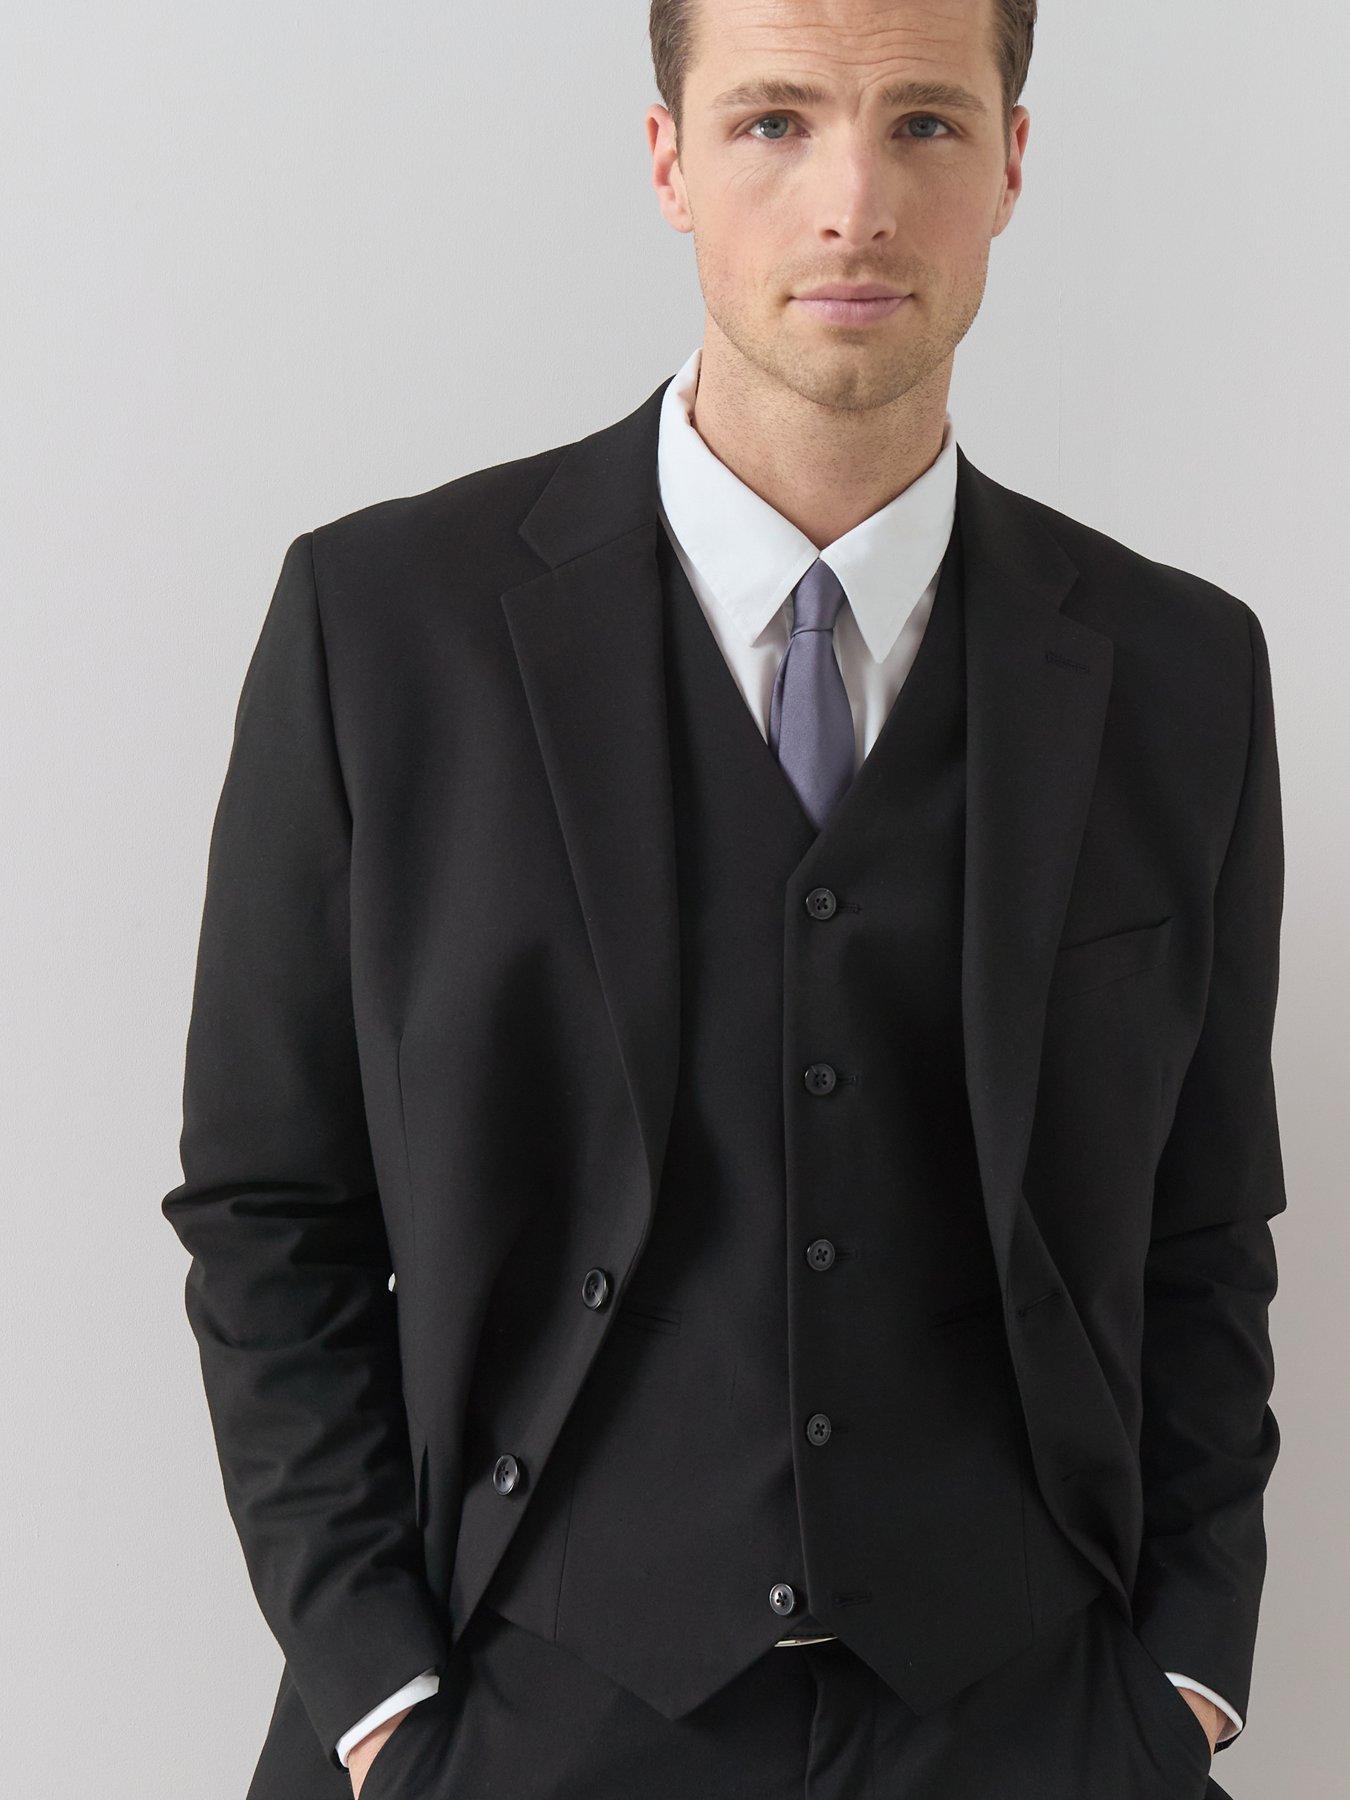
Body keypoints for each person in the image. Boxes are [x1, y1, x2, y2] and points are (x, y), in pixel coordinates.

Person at [162, 1, 1285, 1795]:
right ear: (666, 159)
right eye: (772, 121)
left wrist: (1187, 1675)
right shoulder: (379, 630)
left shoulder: (1177, 668)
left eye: (922, 124)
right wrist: (377, 1687)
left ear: (1009, 162)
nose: (853, 204)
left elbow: (1202, 1225)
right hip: (515, 1707)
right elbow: (269, 1200)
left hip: (1031, 1716)